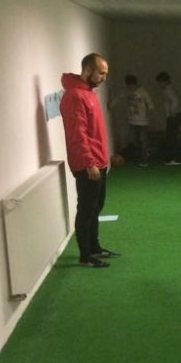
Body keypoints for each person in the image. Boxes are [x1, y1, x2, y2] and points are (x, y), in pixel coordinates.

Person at [60, 53, 121, 269]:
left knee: (96, 206)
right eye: (101, 73)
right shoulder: (75, 96)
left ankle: (95, 247)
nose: (104, 78)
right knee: (86, 209)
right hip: (88, 165)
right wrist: (89, 163)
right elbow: (78, 134)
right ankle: (85, 256)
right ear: (88, 70)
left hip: (98, 161)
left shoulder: (88, 93)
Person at [114, 74, 154, 166]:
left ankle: (144, 159)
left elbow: (150, 104)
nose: (129, 88)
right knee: (135, 140)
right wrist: (111, 104)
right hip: (132, 120)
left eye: (130, 86)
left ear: (134, 84)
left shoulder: (142, 92)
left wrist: (150, 111)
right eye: (128, 86)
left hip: (143, 121)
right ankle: (139, 157)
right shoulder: (128, 92)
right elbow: (119, 97)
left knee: (143, 140)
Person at [156, 72, 181, 165]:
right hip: (174, 116)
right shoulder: (168, 89)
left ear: (166, 81)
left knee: (171, 138)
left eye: (161, 82)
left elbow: (175, 100)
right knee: (171, 137)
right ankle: (171, 158)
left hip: (174, 116)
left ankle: (172, 158)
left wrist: (172, 111)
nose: (160, 84)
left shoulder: (168, 90)